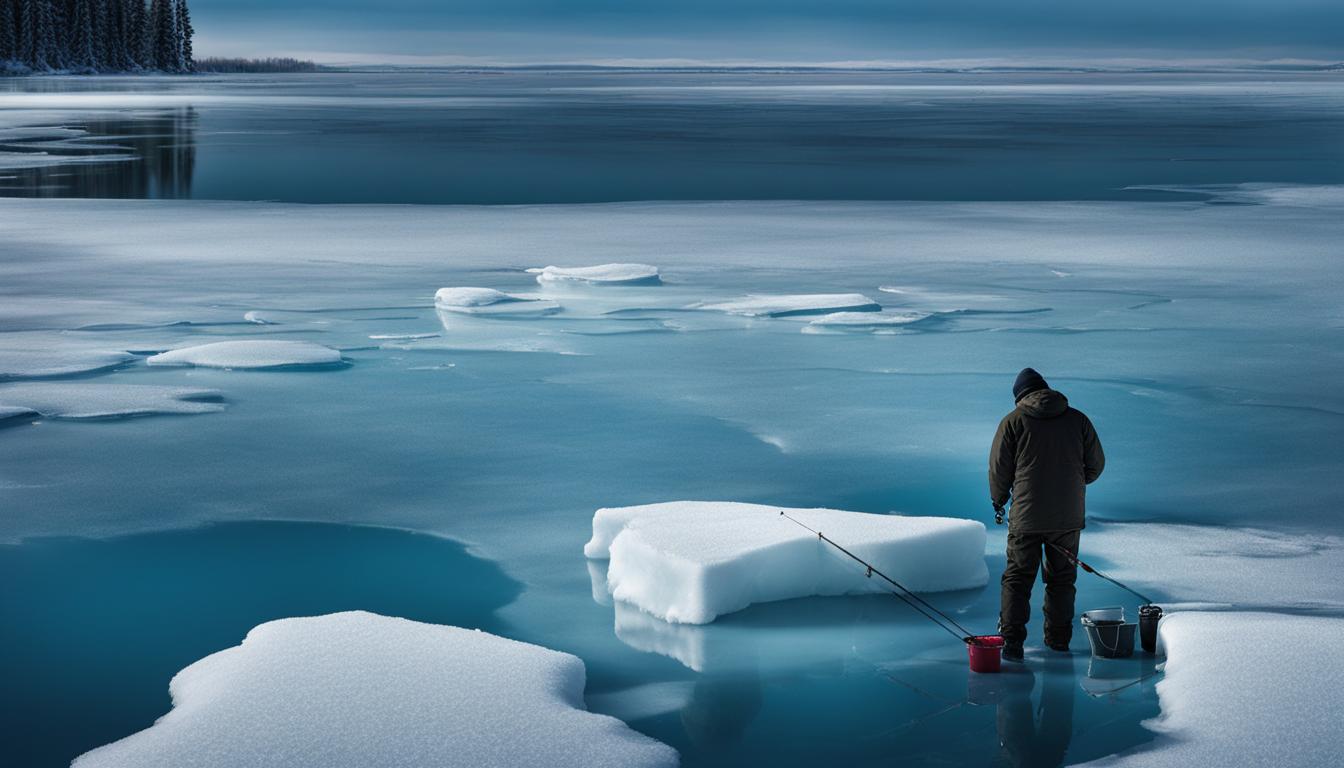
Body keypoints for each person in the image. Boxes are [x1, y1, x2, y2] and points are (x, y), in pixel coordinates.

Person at [989, 368, 1104, 661]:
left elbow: (999, 469)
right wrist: (1074, 484)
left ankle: (1012, 642)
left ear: (1020, 397)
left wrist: (999, 500)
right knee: (1062, 580)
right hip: (1067, 518)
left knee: (1017, 578)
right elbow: (1096, 465)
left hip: (1027, 516)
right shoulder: (1078, 419)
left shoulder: (1013, 421)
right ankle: (1058, 641)